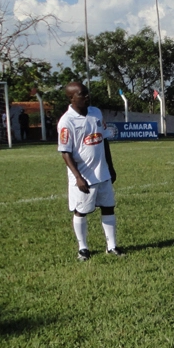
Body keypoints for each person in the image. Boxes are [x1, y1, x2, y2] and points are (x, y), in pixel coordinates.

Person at [56, 81, 122, 260]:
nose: (87, 97)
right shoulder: (66, 122)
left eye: (86, 93)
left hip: (103, 173)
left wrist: (110, 166)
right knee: (81, 211)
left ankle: (112, 246)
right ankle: (83, 248)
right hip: (84, 176)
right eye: (82, 94)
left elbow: (104, 140)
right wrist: (78, 177)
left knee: (108, 207)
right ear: (71, 98)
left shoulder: (96, 113)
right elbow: (65, 153)